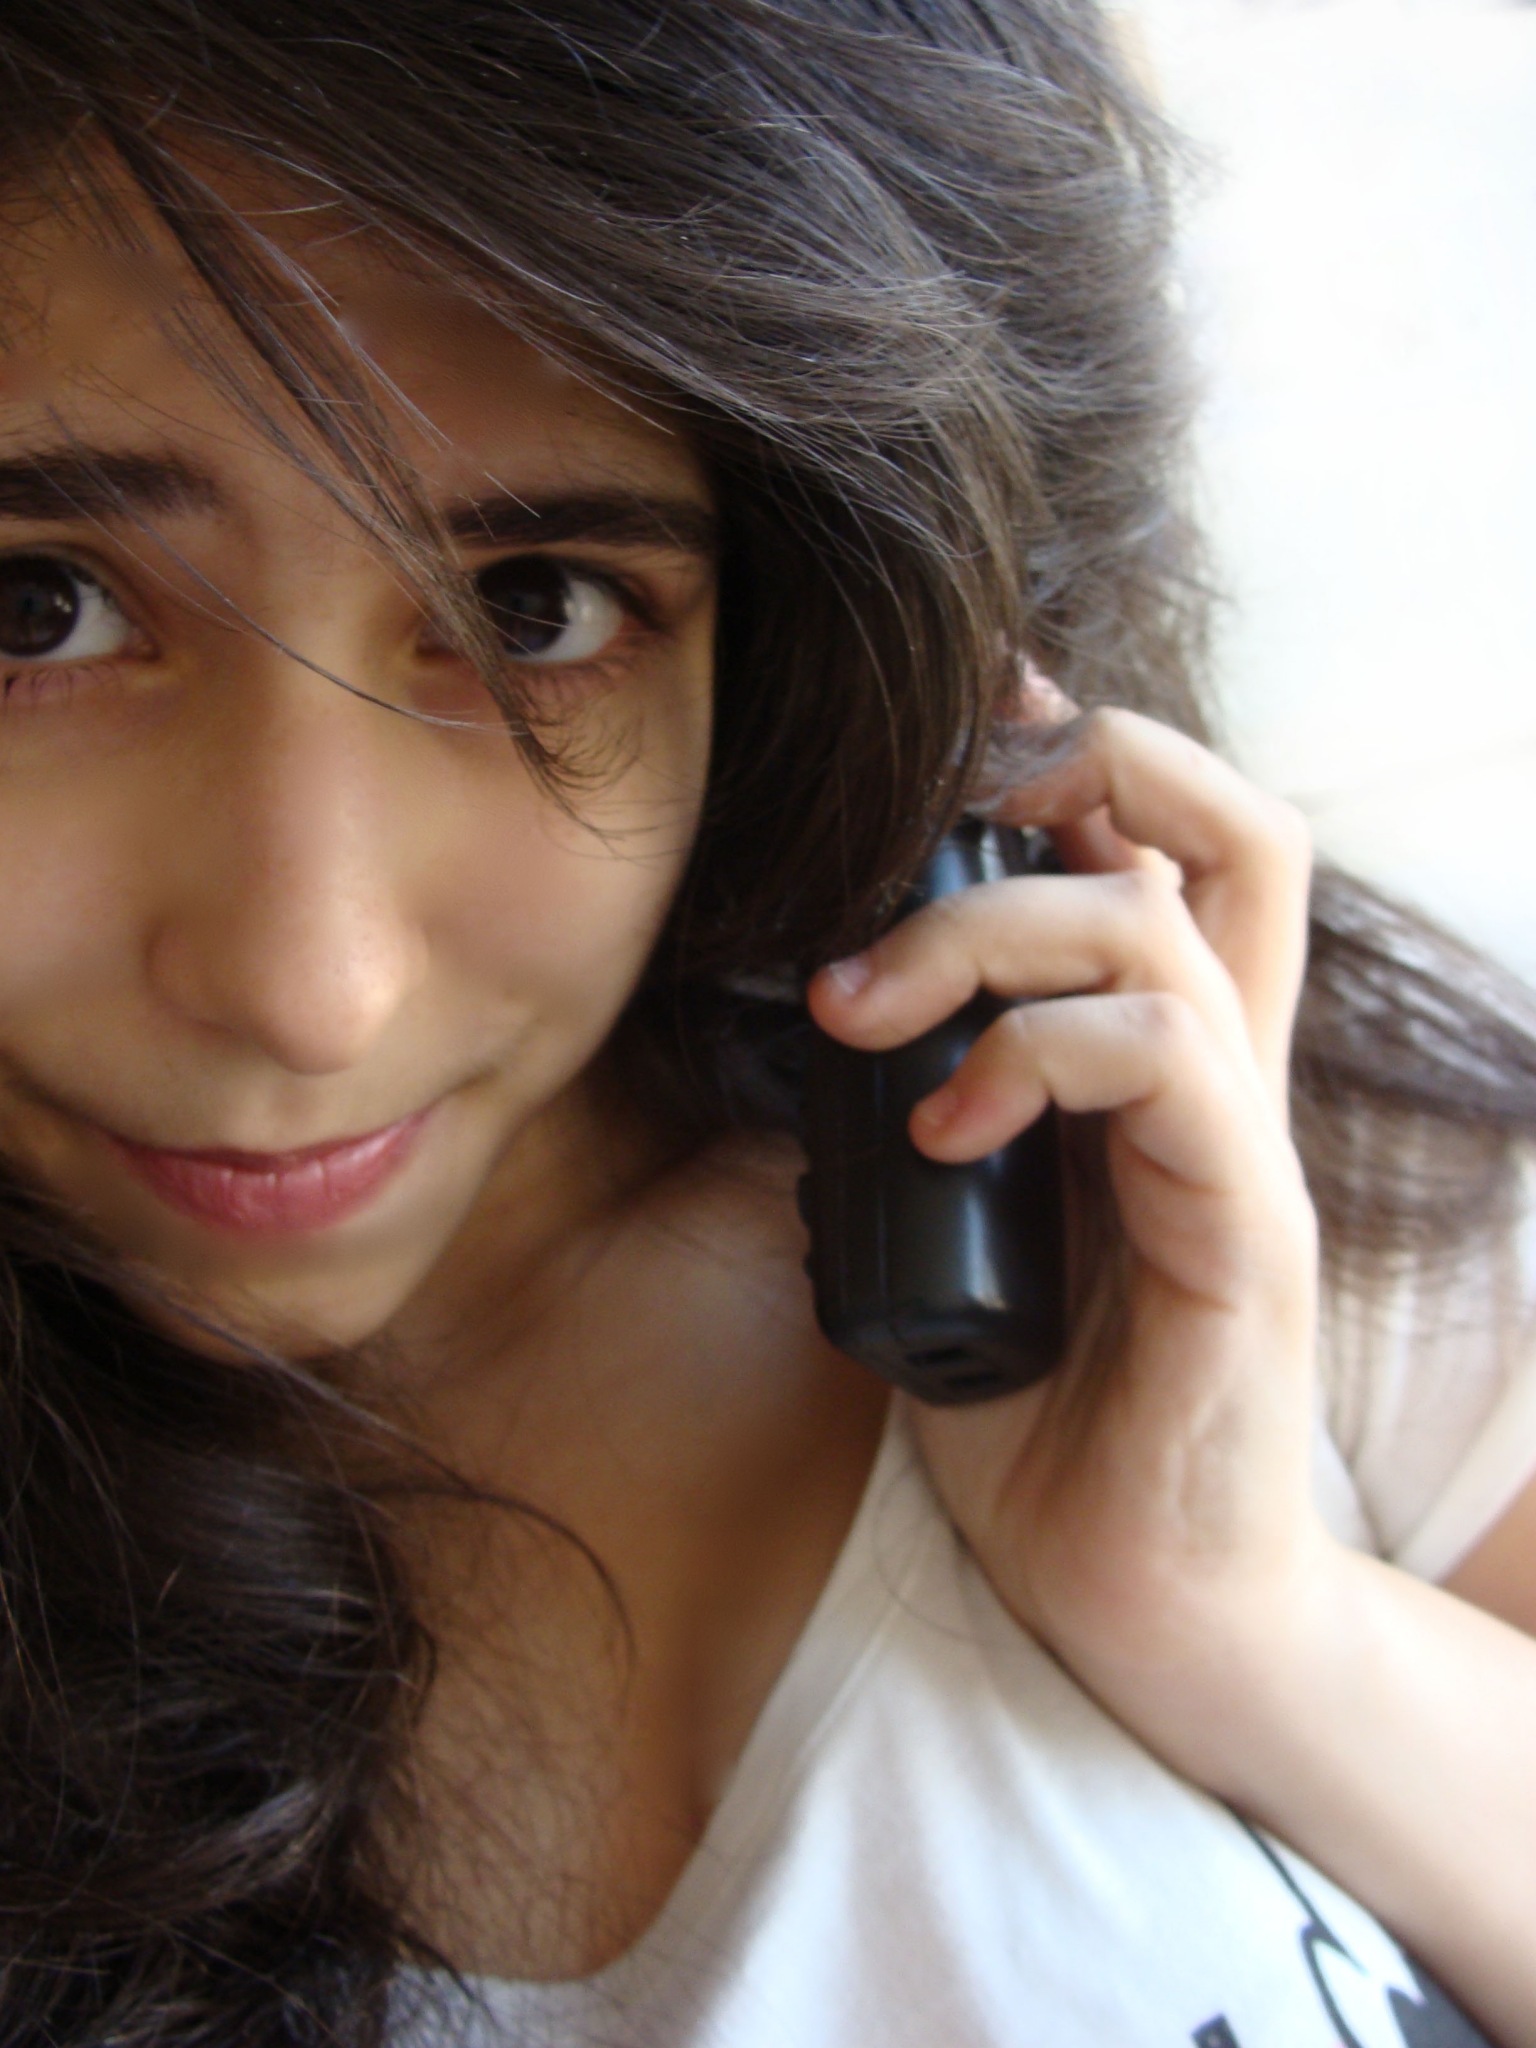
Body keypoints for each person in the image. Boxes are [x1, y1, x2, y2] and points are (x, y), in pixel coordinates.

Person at [0, 3, 1533, 2044]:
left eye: (535, 607)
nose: (313, 987)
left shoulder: (1190, 1156)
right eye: (36, 606)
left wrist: (1251, 1621)